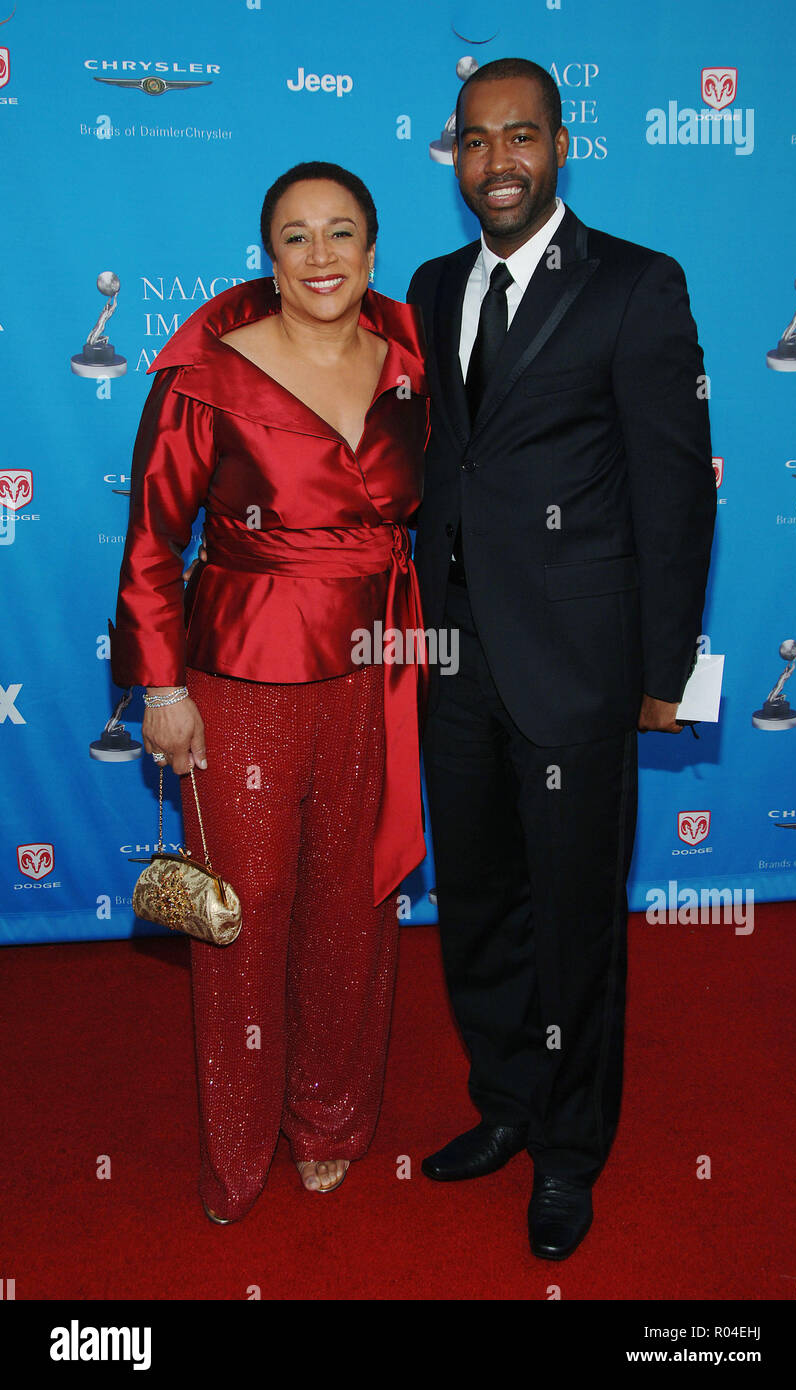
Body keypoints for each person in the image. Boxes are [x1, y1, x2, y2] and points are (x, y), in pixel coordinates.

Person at [407, 58, 717, 1259]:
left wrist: (663, 667)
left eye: (519, 136)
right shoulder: (434, 286)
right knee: (479, 905)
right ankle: (505, 1105)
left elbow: (676, 489)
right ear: (456, 157)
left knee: (575, 918)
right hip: (454, 660)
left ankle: (569, 1151)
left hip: (580, 666)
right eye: (475, 143)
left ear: (559, 145)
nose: (497, 163)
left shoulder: (637, 285)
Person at [109, 162, 429, 1221]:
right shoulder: (207, 372)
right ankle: (239, 1150)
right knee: (243, 925)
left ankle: (329, 1120)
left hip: (377, 670)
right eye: (297, 236)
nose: (323, 254)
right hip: (242, 679)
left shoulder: (413, 359)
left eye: (343, 232)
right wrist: (160, 685)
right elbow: (154, 541)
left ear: (373, 251)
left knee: (354, 909)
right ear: (270, 256)